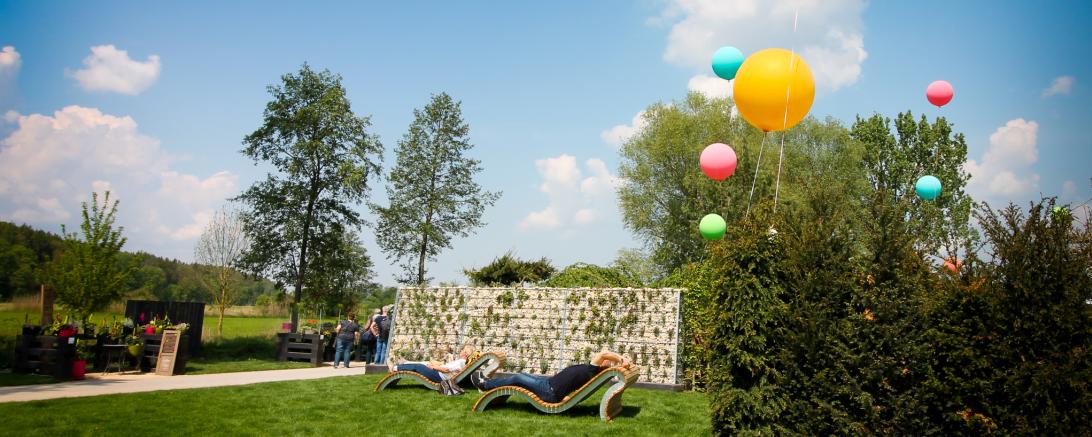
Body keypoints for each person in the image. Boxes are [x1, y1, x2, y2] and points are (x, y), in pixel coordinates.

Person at [471, 351, 632, 402]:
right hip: (549, 384)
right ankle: (489, 383)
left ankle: (485, 384)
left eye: (608, 362)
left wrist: (621, 359)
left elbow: (604, 353)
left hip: (549, 390)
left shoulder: (593, 370)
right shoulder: (593, 372)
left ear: (603, 366)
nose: (606, 360)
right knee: (523, 377)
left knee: (517, 378)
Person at [394, 345, 474, 383]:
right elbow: (452, 370)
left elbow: (446, 370)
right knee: (424, 364)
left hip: (438, 376)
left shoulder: (461, 362)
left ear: (465, 353)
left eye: (462, 350)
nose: (461, 351)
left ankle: (395, 368)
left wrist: (433, 367)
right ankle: (404, 363)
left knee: (418, 367)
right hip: (440, 374)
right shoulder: (463, 362)